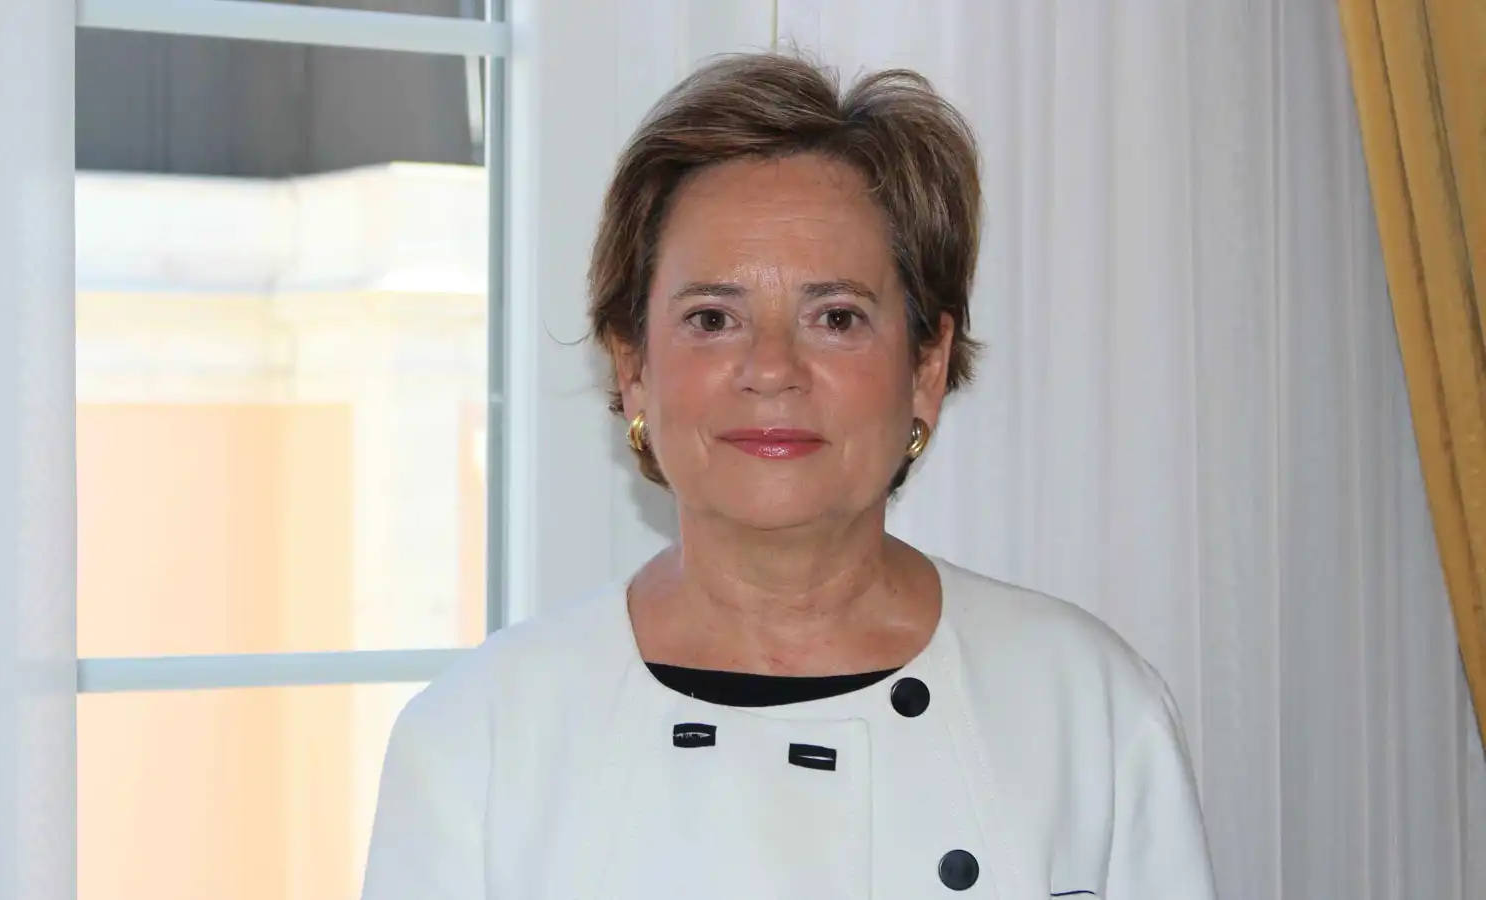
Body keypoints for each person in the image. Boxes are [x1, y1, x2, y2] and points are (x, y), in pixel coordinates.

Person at [362, 52, 1217, 899]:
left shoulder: (1089, 709)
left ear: (926, 367)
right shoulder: (479, 738)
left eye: (836, 317)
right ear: (633, 367)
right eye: (712, 318)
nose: (772, 369)